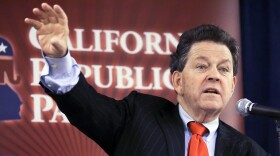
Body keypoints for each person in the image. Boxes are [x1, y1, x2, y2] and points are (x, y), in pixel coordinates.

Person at [25, 3, 270, 156]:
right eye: (202, 66)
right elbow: (85, 105)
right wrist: (58, 58)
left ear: (233, 86)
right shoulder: (138, 117)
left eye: (224, 69)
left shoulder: (249, 151)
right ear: (178, 81)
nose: (214, 75)